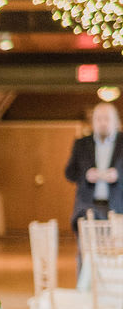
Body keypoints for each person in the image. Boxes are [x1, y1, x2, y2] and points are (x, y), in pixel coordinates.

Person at [65, 101, 123, 236]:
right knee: (87, 246)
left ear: (115, 121)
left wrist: (118, 175)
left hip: (118, 208)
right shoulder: (81, 144)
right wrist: (86, 175)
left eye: (107, 118)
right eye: (98, 119)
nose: (103, 123)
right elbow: (69, 173)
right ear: (93, 121)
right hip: (87, 207)